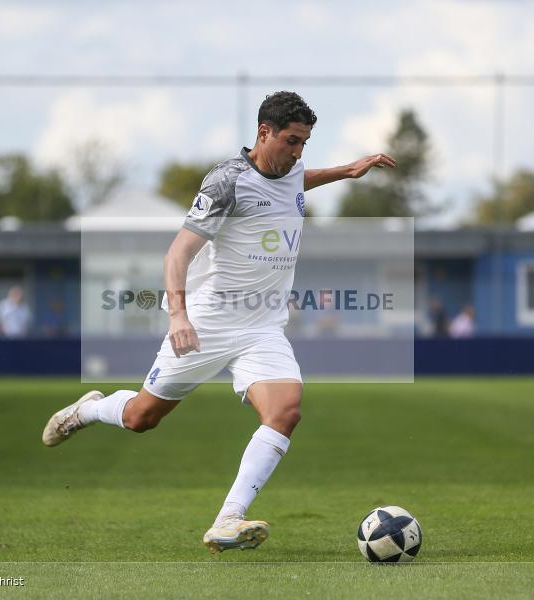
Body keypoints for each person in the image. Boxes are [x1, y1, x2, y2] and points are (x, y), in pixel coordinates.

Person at [41, 91, 396, 553]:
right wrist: (178, 316)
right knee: (141, 417)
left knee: (286, 411)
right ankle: (86, 411)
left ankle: (228, 518)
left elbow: (297, 181)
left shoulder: (290, 171)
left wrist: (347, 170)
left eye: (305, 143)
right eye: (292, 141)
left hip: (263, 326)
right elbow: (178, 253)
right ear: (263, 133)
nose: (298, 152)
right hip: (208, 321)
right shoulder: (226, 182)